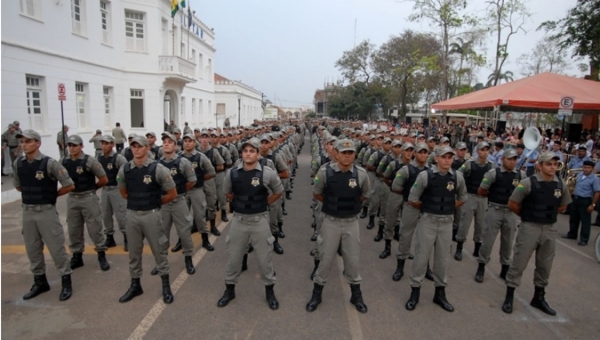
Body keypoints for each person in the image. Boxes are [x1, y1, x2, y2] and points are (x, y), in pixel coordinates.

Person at [217, 138, 283, 310]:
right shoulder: (233, 173)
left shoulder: (267, 172)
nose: (248, 153)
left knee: (264, 259)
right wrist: (242, 203)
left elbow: (278, 190)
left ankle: (270, 291)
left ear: (258, 154)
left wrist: (265, 203)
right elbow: (227, 193)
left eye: (252, 151)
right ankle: (229, 290)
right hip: (239, 220)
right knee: (233, 258)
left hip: (259, 220)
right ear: (242, 154)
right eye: (245, 151)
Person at [501, 152, 571, 315]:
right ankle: (509, 295)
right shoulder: (527, 183)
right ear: (539, 166)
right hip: (530, 227)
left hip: (549, 229)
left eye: (555, 164)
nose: (552, 167)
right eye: (548, 164)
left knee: (545, 264)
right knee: (519, 261)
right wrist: (528, 216)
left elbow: (562, 206)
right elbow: (512, 204)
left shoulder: (560, 184)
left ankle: (539, 297)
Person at [306, 139, 370, 313]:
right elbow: (317, 193)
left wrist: (349, 206)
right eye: (344, 152)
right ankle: (317, 293)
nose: (347, 156)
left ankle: (356, 294)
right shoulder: (325, 172)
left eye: (350, 153)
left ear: (354, 154)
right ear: (336, 153)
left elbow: (364, 195)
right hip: (331, 222)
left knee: (352, 259)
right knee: (325, 258)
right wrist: (334, 205)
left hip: (351, 223)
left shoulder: (361, 174)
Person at [13, 129, 75, 301]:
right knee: (32, 248)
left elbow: (69, 185)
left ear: (38, 143)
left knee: (56, 247)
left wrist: (50, 195)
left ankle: (66, 281)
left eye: (28, 141)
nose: (24, 144)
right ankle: (40, 282)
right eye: (22, 142)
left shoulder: (49, 163)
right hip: (28, 212)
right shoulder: (18, 163)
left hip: (46, 212)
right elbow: (19, 186)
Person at [404, 146, 467, 312]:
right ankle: (415, 292)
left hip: (446, 223)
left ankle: (440, 293)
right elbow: (412, 198)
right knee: (421, 257)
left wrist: (446, 208)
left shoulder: (457, 177)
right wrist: (429, 208)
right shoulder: (425, 176)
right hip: (428, 222)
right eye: (444, 157)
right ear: (436, 158)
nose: (447, 160)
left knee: (442, 260)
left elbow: (462, 198)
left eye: (450, 157)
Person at [117, 135, 177, 304]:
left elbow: (172, 193)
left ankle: (166, 286)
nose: (136, 149)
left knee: (159, 251)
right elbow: (123, 192)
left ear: (147, 148)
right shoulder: (125, 169)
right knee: (134, 253)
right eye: (133, 146)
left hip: (151, 215)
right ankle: (135, 285)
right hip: (133, 215)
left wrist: (155, 203)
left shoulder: (157, 169)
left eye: (140, 146)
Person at [473, 149, 525, 283]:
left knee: (508, 242)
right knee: (488, 240)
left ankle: (505, 268)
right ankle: (481, 266)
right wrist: (493, 197)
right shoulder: (493, 174)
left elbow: (524, 193)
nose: (512, 162)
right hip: (495, 210)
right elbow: (481, 190)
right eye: (510, 159)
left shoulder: (521, 175)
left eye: (515, 159)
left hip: (511, 212)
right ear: (502, 159)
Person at [150, 132, 197, 276]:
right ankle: (161, 262)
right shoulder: (156, 164)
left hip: (179, 202)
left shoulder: (183, 162)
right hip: (163, 204)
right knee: (161, 233)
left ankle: (188, 259)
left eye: (170, 142)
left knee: (184, 232)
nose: (166, 144)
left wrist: (179, 192)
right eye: (164, 142)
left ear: (176, 146)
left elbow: (192, 181)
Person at [62, 135, 110, 271]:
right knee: (74, 228)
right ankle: (77, 256)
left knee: (95, 227)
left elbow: (103, 179)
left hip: (88, 198)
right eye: (70, 145)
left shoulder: (90, 161)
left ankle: (101, 255)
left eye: (74, 145)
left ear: (81, 146)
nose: (71, 148)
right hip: (72, 198)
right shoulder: (64, 161)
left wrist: (92, 189)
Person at [455, 141, 496, 261]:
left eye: (487, 150)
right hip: (470, 196)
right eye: (482, 150)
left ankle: (477, 247)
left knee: (481, 224)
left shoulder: (491, 166)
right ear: (477, 151)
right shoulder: (469, 164)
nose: (484, 152)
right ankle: (459, 247)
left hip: (483, 199)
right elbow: (458, 174)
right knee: (465, 223)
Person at [180, 133, 216, 252]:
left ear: (194, 143)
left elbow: (211, 172)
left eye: (190, 141)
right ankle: (181, 241)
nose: (187, 143)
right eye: (185, 141)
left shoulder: (200, 157)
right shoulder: (179, 157)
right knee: (182, 218)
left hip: (197, 191)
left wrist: (198, 180)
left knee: (200, 216)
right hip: (183, 192)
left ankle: (205, 239)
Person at [97, 135, 129, 251]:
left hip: (116, 189)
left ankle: (127, 238)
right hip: (105, 190)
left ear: (112, 145)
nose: (104, 146)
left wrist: (120, 182)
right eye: (103, 143)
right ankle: (110, 237)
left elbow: (126, 173)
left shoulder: (118, 158)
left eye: (107, 143)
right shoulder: (99, 158)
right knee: (106, 214)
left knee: (121, 214)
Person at [562, 160, 600, 246]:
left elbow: (597, 192)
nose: (586, 169)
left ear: (592, 169)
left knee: (585, 221)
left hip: (585, 200)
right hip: (575, 199)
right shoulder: (579, 175)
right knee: (573, 218)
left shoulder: (594, 178)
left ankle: (584, 239)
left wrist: (593, 205)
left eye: (588, 168)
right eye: (585, 167)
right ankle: (572, 234)